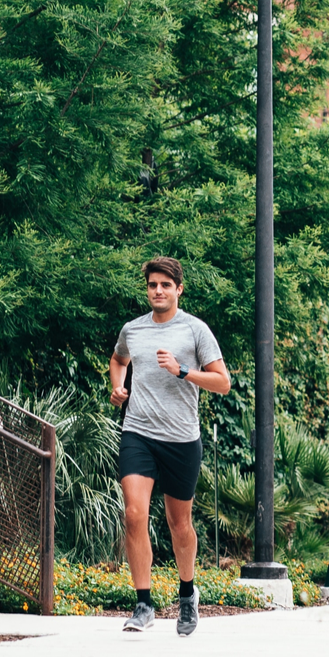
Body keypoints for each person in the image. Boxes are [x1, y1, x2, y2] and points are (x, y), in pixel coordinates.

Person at [109, 256, 230, 636]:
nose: (157, 291)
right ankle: (143, 603)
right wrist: (117, 386)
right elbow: (118, 359)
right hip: (139, 432)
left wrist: (182, 371)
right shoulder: (133, 329)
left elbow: (222, 382)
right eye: (152, 285)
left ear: (179, 289)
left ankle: (187, 594)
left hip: (181, 439)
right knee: (133, 514)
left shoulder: (195, 330)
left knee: (179, 525)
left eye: (165, 285)